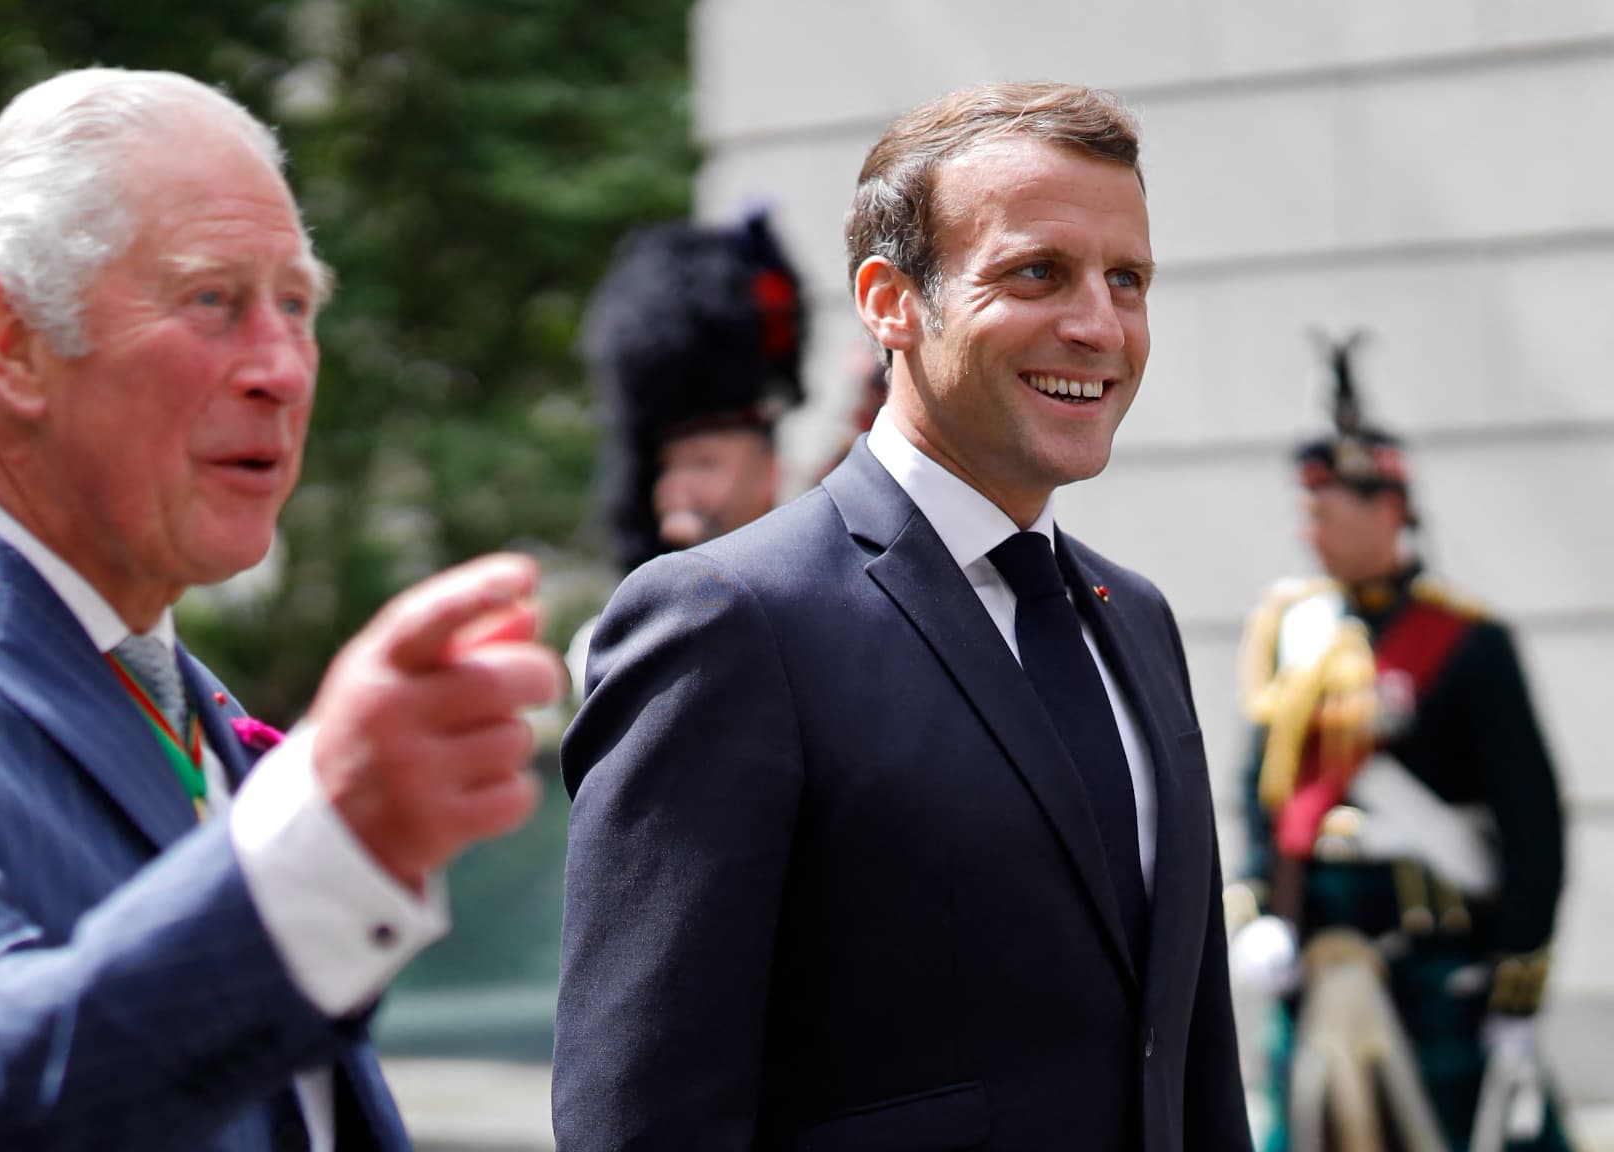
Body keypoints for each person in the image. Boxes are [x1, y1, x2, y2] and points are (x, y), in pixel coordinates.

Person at [0, 68, 561, 1151]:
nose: (281, 368)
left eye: (296, 304)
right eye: (212, 300)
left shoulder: (176, 692)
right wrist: (327, 831)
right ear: (15, 346)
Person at [555, 81, 1249, 1150]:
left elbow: (1186, 1060)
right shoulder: (726, 620)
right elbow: (642, 1114)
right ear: (889, 301)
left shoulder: (1136, 620)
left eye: (1128, 280)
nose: (1096, 326)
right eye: (1035, 273)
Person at [1233, 335, 1569, 1151]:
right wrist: (1258, 907)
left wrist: (1517, 980)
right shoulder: (1291, 630)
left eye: (1327, 507)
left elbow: (1532, 820)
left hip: (1437, 953)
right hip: (1319, 953)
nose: (1308, 525)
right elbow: (1263, 786)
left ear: (1386, 508)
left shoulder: (1468, 644)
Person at [563, 209, 806, 695]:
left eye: (704, 463)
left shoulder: (819, 613)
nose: (675, 488)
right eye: (666, 467)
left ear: (769, 473)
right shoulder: (606, 643)